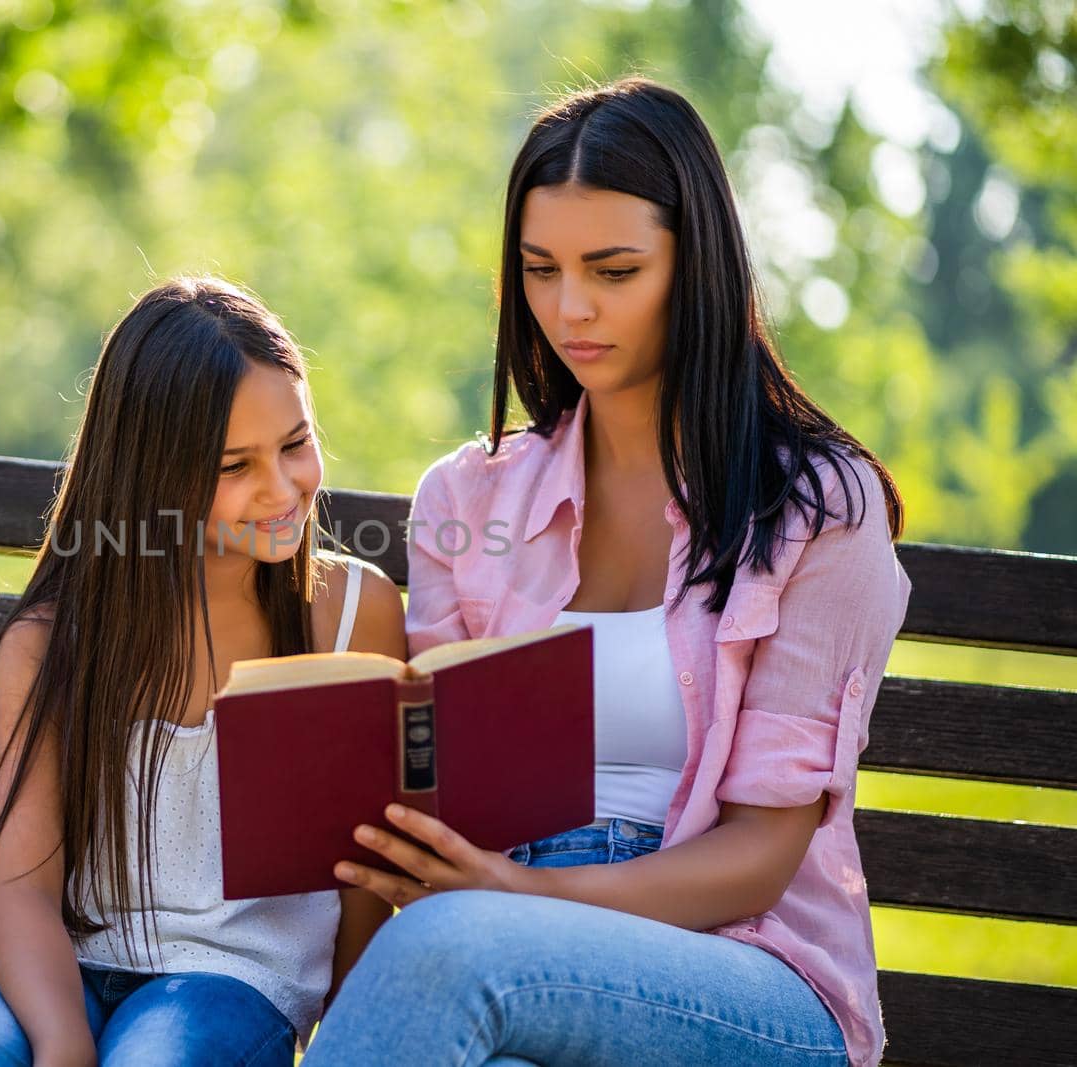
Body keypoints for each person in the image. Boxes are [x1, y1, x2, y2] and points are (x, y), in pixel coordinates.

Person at [305, 78, 911, 1067]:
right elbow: (428, 781)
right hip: (497, 950)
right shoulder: (468, 498)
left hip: (743, 977)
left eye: (613, 269)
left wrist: (520, 901)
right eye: (539, 269)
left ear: (696, 267)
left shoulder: (814, 506)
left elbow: (759, 858)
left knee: (453, 948)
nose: (569, 307)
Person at [0, 277, 400, 1066]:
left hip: (230, 974)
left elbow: (365, 867)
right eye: (236, 465)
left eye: (295, 443)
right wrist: (63, 1042)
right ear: (151, 474)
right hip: (36, 959)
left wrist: (348, 1030)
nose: (281, 488)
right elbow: (20, 887)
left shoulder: (351, 618)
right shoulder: (52, 642)